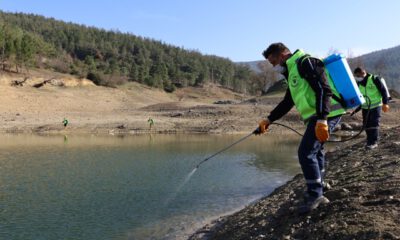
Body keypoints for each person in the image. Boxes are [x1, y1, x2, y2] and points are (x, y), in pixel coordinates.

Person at [255, 42, 345, 214]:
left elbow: (323, 90)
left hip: (327, 114)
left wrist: (322, 119)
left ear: (282, 55)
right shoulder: (292, 72)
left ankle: (315, 195)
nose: (274, 67)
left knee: (305, 152)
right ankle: (320, 185)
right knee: (316, 151)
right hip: (317, 116)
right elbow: (288, 101)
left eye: (274, 62)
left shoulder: (306, 62)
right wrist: (268, 120)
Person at [353, 67, 389, 149]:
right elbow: (360, 97)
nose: (357, 77)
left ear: (363, 73)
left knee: (374, 123)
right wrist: (356, 110)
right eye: (356, 76)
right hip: (365, 107)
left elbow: (383, 91)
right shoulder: (359, 83)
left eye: (358, 75)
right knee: (366, 124)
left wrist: (385, 103)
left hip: (376, 105)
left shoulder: (374, 79)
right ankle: (369, 141)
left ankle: (374, 142)